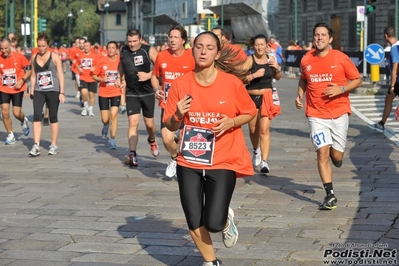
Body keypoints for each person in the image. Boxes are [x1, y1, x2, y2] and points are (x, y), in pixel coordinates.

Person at [163, 31, 257, 266]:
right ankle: (211, 262)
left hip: (222, 159)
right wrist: (177, 114)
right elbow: (169, 123)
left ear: (217, 53)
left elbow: (249, 111)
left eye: (209, 47)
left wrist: (231, 121)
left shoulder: (231, 83)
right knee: (194, 219)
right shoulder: (181, 84)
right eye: (199, 46)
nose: (203, 51)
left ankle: (226, 222)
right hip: (189, 159)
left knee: (213, 222)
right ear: (192, 50)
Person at [295, 23, 362, 210]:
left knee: (337, 156)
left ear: (330, 39)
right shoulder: (306, 59)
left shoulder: (341, 58)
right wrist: (300, 94)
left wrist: (341, 89)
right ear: (313, 38)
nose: (319, 38)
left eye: (323, 35)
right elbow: (303, 78)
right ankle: (330, 195)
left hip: (339, 113)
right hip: (316, 114)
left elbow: (357, 80)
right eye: (316, 35)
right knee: (322, 152)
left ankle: (337, 155)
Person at [152, 25, 195, 178]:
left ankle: (185, 167)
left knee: (184, 139)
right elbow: (154, 75)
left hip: (187, 105)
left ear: (183, 40)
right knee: (167, 139)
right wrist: (157, 89)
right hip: (167, 105)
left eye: (176, 37)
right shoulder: (162, 56)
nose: (172, 40)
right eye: (170, 37)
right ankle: (175, 158)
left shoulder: (191, 57)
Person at [117, 29, 159, 167]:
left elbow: (162, 66)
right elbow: (121, 65)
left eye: (135, 41)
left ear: (140, 39)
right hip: (132, 93)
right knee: (133, 123)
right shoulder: (123, 50)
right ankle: (132, 153)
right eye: (129, 41)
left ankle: (152, 140)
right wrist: (120, 77)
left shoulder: (149, 50)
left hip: (147, 92)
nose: (132, 44)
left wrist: (148, 75)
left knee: (149, 124)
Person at [240, 34, 282, 173]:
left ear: (266, 45)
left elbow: (278, 77)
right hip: (251, 97)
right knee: (253, 130)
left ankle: (264, 162)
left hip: (267, 97)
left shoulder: (271, 59)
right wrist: (253, 75)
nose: (259, 47)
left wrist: (277, 68)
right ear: (254, 46)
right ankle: (256, 149)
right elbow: (240, 79)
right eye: (257, 45)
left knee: (264, 130)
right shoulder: (250, 60)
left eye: (262, 45)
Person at [28, 33, 65, 156]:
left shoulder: (54, 57)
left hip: (53, 90)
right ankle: (36, 145)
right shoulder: (34, 57)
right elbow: (33, 76)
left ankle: (54, 145)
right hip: (39, 90)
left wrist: (62, 92)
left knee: (53, 117)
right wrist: (31, 91)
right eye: (39, 46)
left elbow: (60, 75)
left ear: (48, 45)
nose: (41, 48)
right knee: (37, 115)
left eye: (44, 46)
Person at [0, 37, 31, 145]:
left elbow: (29, 69)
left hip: (17, 88)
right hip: (3, 88)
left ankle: (23, 120)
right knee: (4, 111)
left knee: (16, 113)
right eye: (1, 49)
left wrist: (22, 80)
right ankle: (10, 134)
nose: (3, 51)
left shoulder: (18, 57)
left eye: (6, 48)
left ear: (10, 46)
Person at [92, 41, 123, 149]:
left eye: (113, 48)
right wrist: (102, 79)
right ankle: (105, 125)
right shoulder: (102, 61)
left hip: (116, 92)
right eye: (109, 48)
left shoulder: (120, 60)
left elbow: (125, 74)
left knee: (114, 116)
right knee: (105, 119)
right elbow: (94, 76)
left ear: (116, 49)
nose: (111, 50)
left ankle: (112, 139)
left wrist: (123, 81)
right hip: (104, 93)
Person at [368, 26, 399, 132]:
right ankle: (381, 124)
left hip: (398, 81)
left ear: (386, 36)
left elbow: (395, 68)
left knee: (389, 98)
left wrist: (392, 85)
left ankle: (381, 124)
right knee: (388, 99)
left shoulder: (394, 48)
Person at [76, 40, 99, 116]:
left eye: (87, 46)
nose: (85, 48)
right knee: (84, 93)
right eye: (84, 46)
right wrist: (79, 69)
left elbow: (99, 65)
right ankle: (85, 108)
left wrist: (94, 68)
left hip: (92, 78)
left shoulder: (95, 55)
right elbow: (77, 64)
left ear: (90, 47)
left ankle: (90, 109)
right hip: (83, 77)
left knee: (91, 95)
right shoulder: (80, 55)